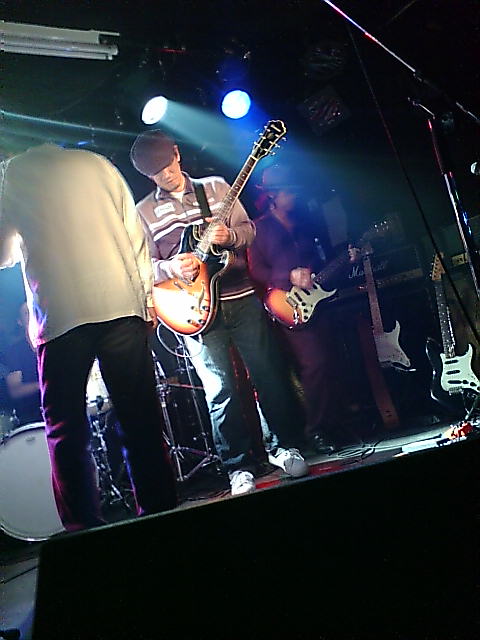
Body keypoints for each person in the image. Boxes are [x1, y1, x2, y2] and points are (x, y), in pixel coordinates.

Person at [0, 143, 176, 532]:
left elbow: (3, 253)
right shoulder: (98, 163)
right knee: (141, 419)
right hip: (121, 304)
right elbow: (135, 236)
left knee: (66, 429)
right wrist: (146, 301)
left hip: (61, 314)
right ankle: (163, 517)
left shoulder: (10, 175)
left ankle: (83, 529)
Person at [129, 130, 309, 495]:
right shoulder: (142, 212)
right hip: (191, 309)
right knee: (219, 390)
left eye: (167, 165)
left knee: (268, 375)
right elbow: (141, 265)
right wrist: (170, 268)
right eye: (155, 173)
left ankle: (282, 448)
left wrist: (231, 237)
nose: (165, 175)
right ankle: (237, 467)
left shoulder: (214, 187)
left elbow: (249, 230)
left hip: (239, 297)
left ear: (177, 154)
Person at [248, 164, 360, 453]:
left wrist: (346, 259)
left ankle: (337, 424)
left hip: (318, 300)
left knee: (333, 359)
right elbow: (256, 270)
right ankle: (315, 430)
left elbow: (322, 263)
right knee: (314, 364)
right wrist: (288, 277)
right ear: (272, 195)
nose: (293, 196)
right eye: (288, 192)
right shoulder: (259, 228)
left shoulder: (307, 222)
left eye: (294, 191)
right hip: (286, 304)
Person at [5, 301, 42, 425]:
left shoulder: (54, 345)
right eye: (27, 313)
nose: (32, 316)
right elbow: (15, 391)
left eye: (34, 311)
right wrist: (44, 385)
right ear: (20, 322)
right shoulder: (15, 351)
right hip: (32, 418)